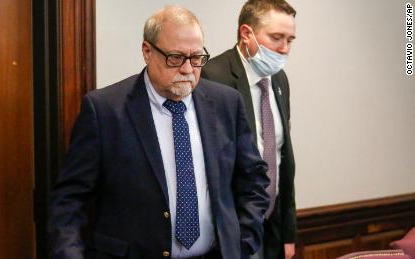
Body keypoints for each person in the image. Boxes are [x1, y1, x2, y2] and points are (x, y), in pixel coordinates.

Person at [49, 5, 271, 259]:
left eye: (197, 58)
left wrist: (243, 243)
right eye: (175, 58)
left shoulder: (226, 104)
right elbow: (69, 199)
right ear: (147, 51)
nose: (188, 69)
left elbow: (253, 180)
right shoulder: (105, 110)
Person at [201, 1, 297, 259]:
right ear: (246, 34)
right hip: (233, 227)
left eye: (290, 40)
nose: (284, 49)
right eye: (276, 38)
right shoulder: (213, 76)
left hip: (272, 224)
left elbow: (282, 157)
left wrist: (288, 233)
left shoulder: (279, 79)